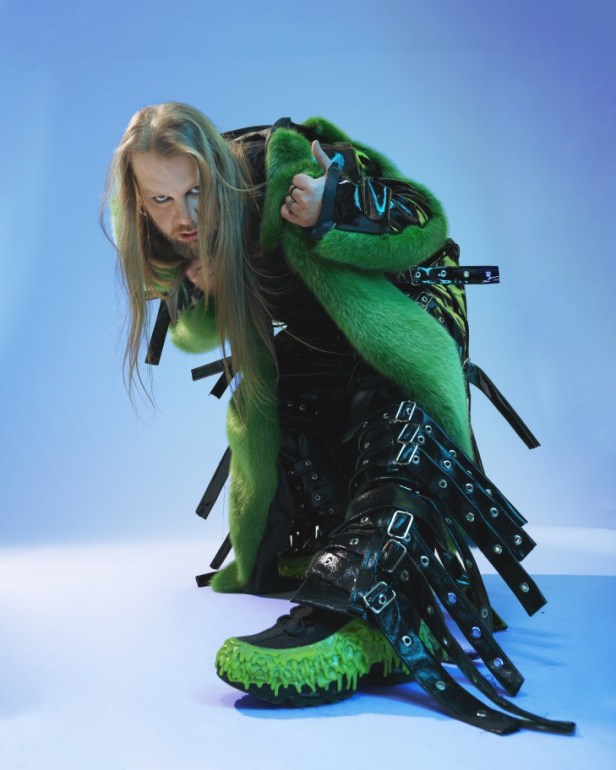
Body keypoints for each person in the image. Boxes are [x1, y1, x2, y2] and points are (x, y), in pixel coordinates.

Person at [103, 102, 574, 735]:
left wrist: (337, 206)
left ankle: (376, 602)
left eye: (195, 192)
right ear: (138, 198)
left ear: (216, 168)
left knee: (398, 415)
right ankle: (322, 544)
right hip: (321, 334)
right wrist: (195, 284)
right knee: (282, 410)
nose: (182, 216)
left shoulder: (281, 163)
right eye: (161, 200)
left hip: (404, 303)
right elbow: (195, 329)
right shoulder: (156, 231)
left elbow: (425, 219)